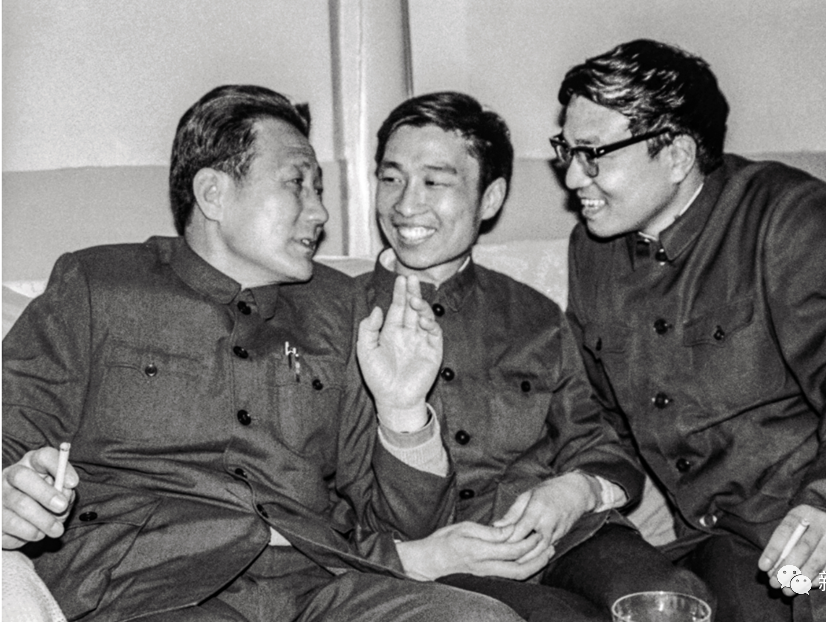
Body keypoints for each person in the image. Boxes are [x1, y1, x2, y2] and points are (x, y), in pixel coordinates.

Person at [1, 84, 527, 622]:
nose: (320, 212)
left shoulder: (340, 308)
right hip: (149, 588)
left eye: (319, 189)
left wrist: (403, 412)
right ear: (213, 193)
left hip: (317, 587)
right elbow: (10, 436)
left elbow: (400, 527)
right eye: (297, 183)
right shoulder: (99, 285)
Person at [555, 39, 826, 622]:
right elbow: (599, 418)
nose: (573, 177)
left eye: (593, 153)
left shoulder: (786, 216)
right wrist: (585, 486)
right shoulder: (592, 252)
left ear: (677, 155)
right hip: (720, 551)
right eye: (566, 151)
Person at [357, 91, 710, 621]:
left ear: (490, 198)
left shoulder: (534, 315)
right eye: (391, 179)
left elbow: (597, 441)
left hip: (569, 536)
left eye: (434, 182)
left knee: (669, 600)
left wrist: (575, 491)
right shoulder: (339, 315)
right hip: (444, 562)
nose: (406, 205)